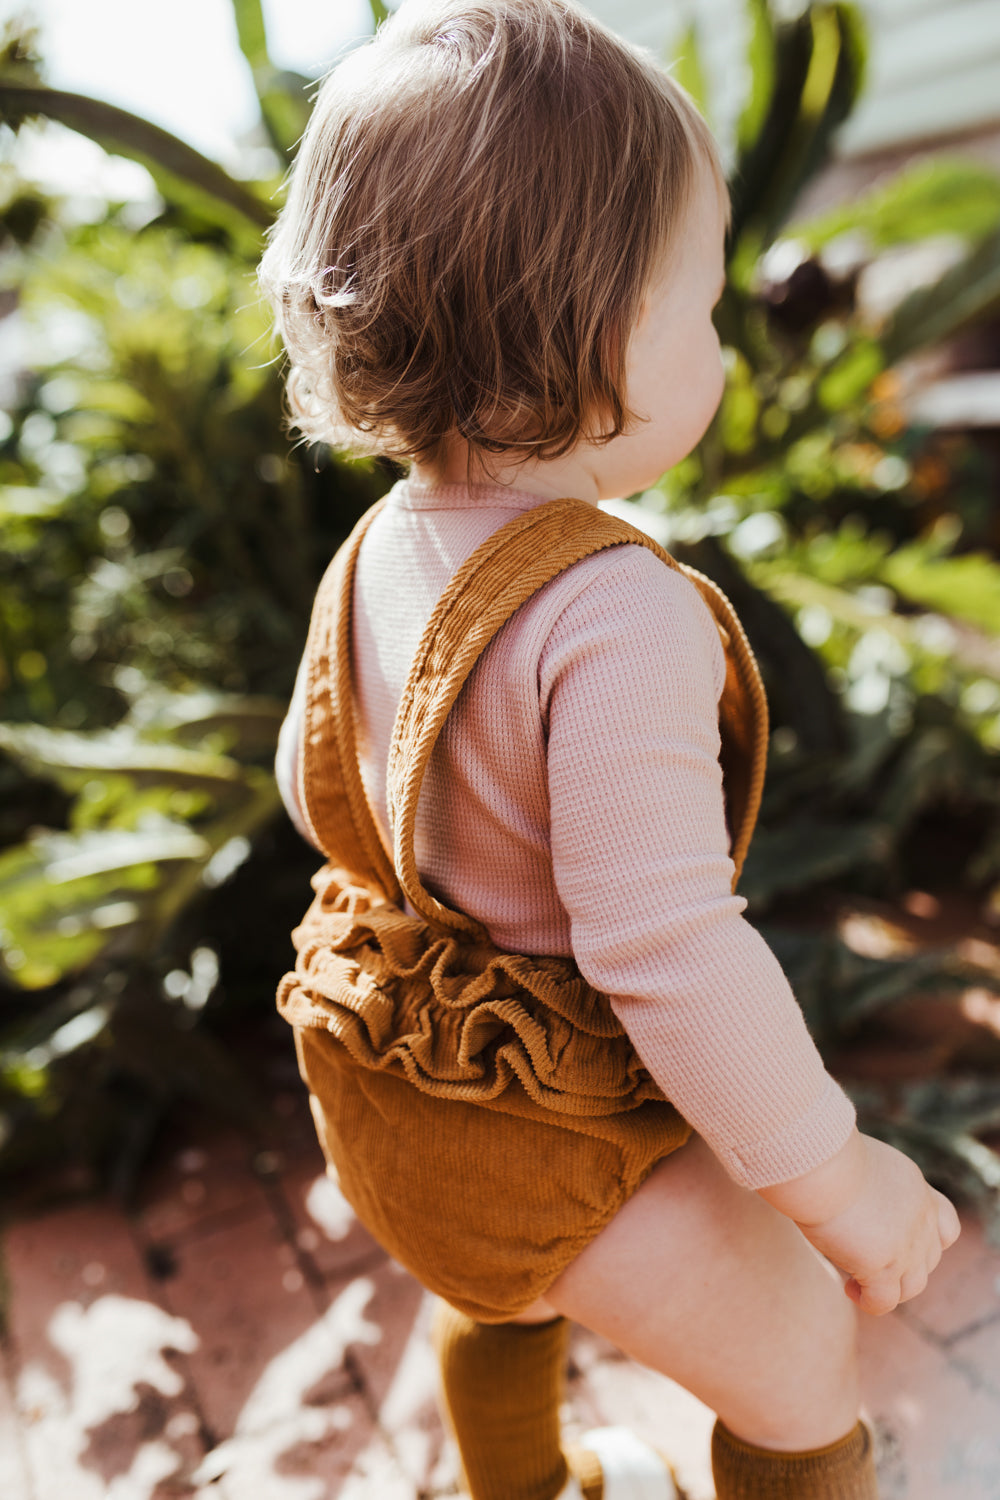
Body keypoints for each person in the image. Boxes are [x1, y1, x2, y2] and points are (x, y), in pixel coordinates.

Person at [259, 2, 961, 1496]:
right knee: (795, 1364)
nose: (721, 344)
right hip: (545, 1135)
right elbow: (667, 949)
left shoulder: (379, 549)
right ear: (586, 323)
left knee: (497, 1288)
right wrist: (836, 1179)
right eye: (702, 311)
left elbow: (313, 788)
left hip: (391, 1093)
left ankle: (527, 1482)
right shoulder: (613, 608)